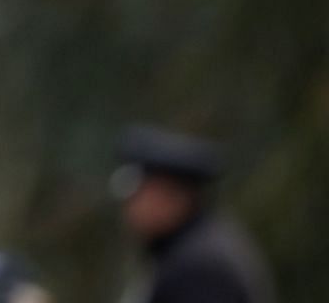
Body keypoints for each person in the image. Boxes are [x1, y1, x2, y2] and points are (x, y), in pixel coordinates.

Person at [113, 125, 273, 303]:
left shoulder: (200, 268)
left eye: (139, 193)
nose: (130, 205)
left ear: (172, 195)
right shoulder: (186, 250)